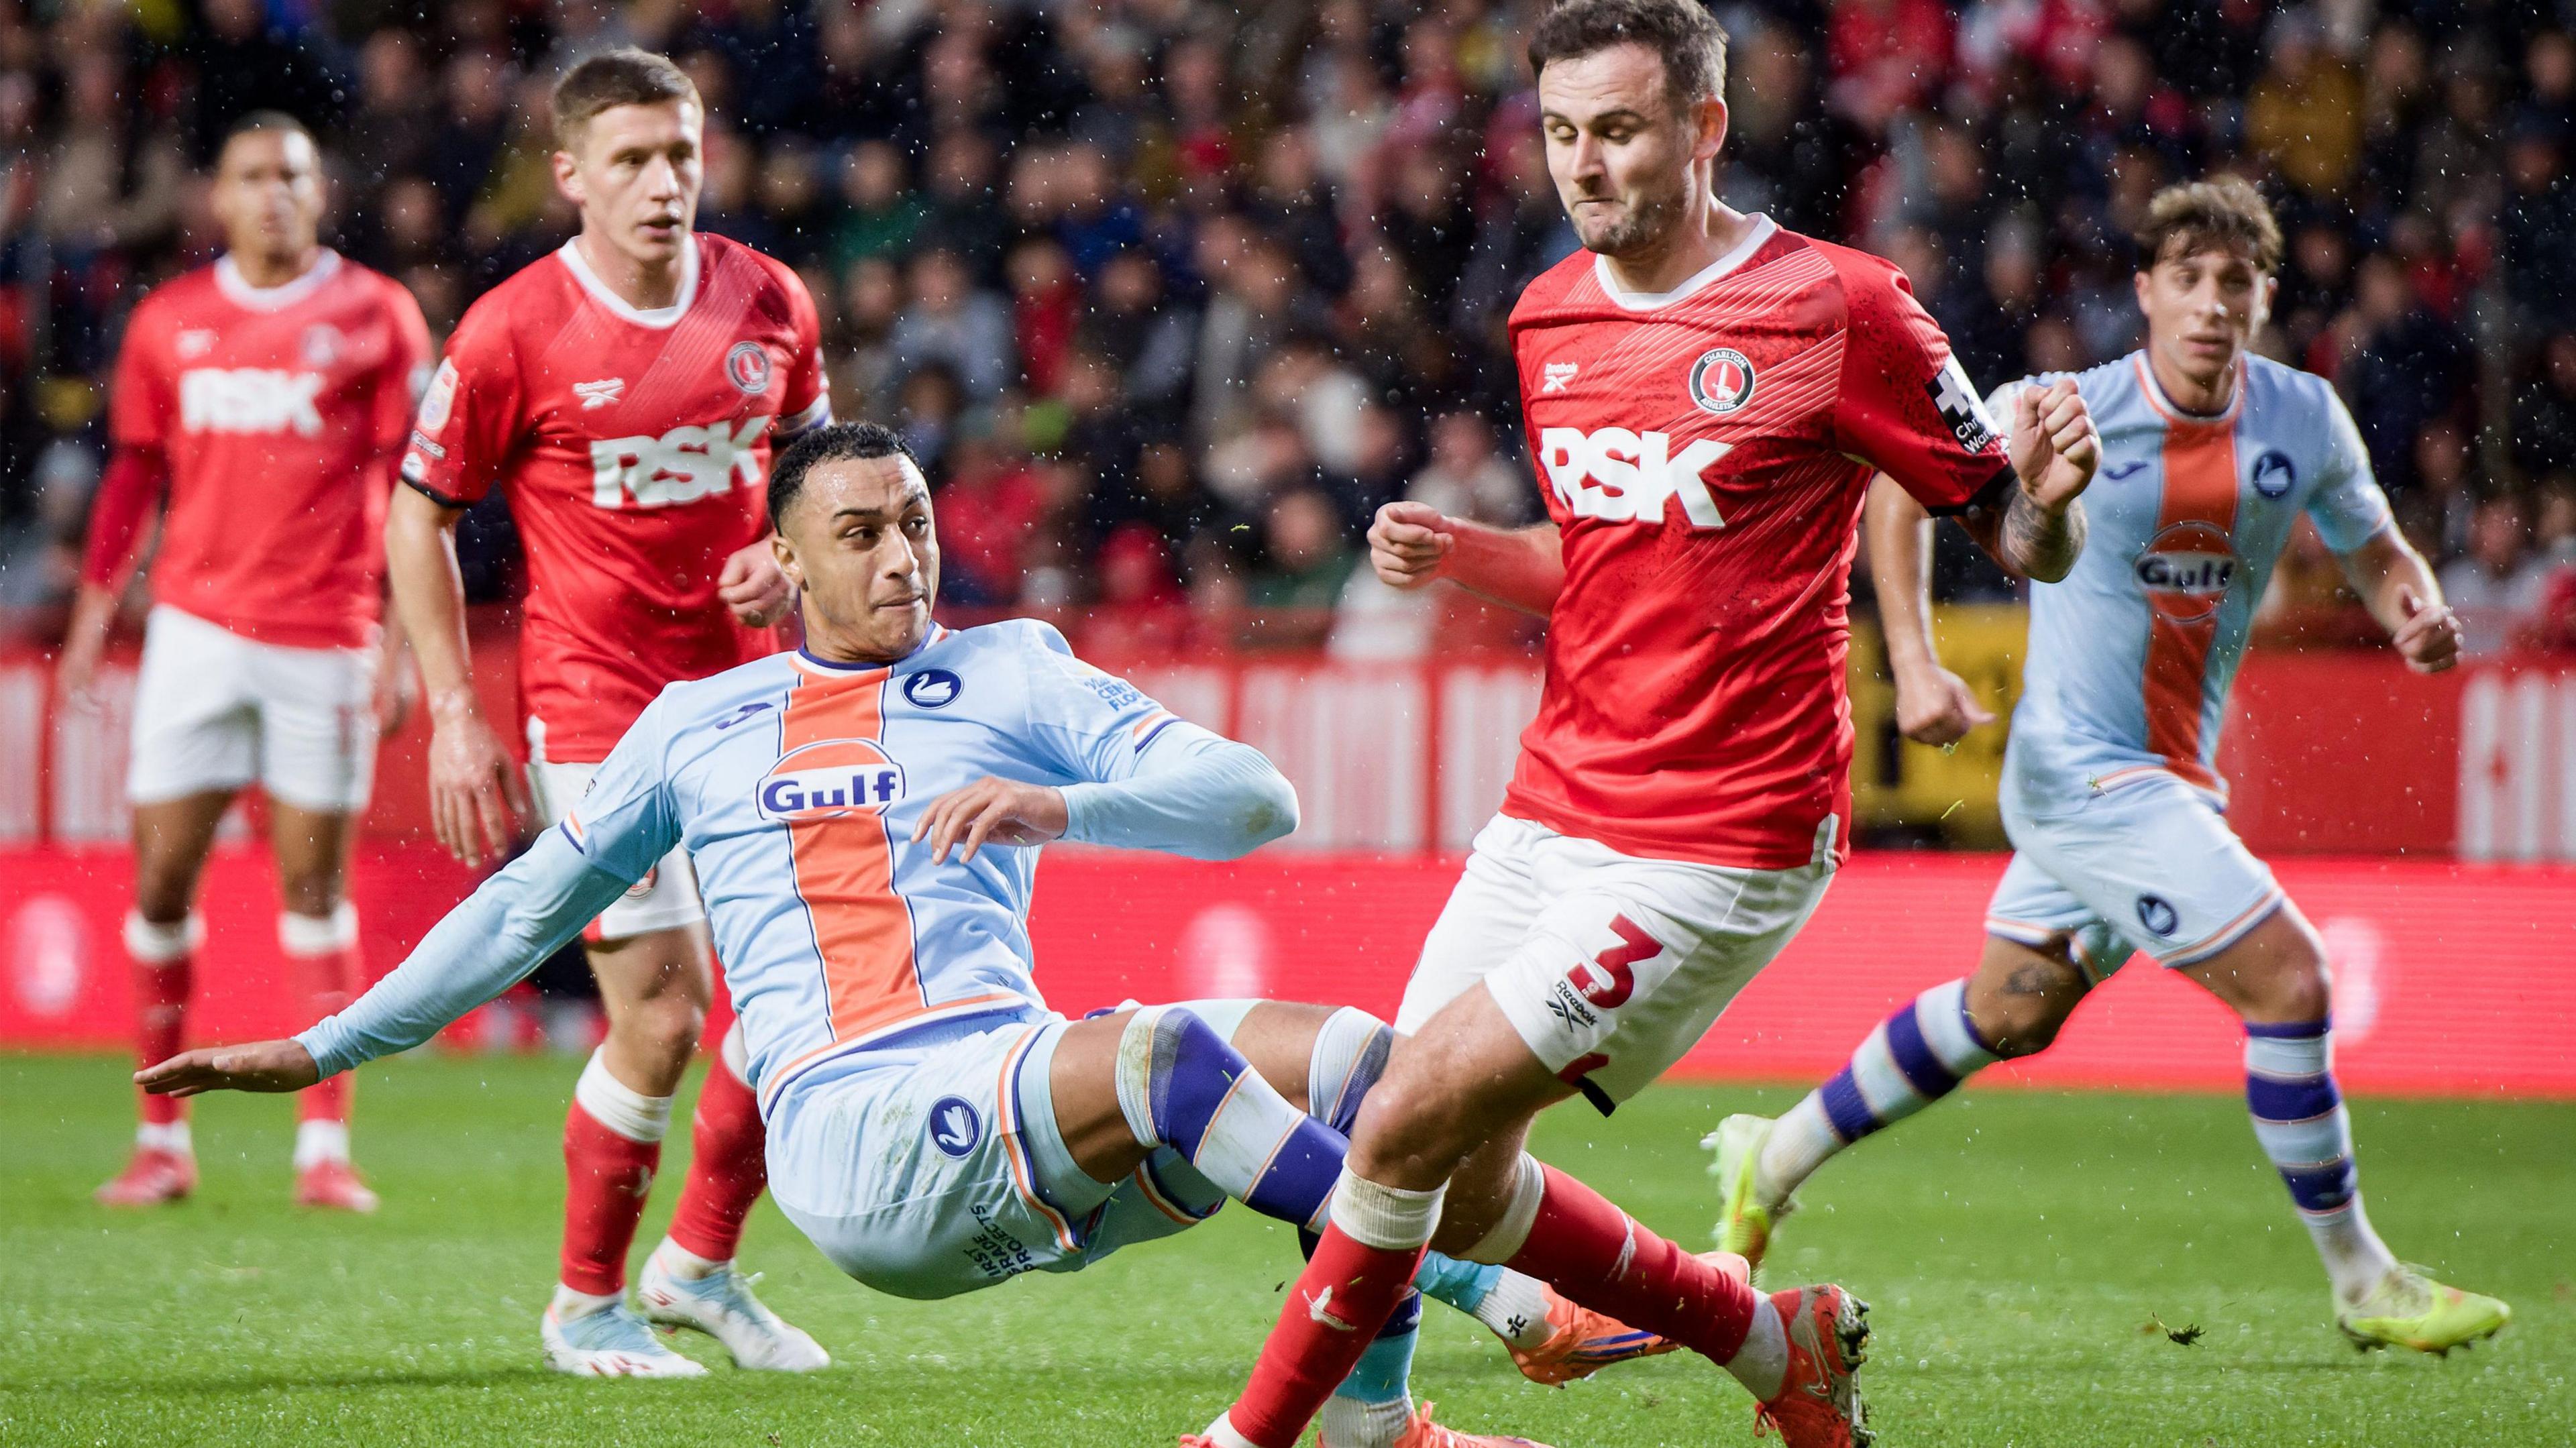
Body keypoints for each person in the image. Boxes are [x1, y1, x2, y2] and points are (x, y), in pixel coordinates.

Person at [144, 424, 1690, 1448]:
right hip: (855, 1137)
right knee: (1168, 1050)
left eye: (918, 525)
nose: (901, 560)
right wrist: (330, 1044)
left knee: (1363, 1058)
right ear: (786, 565)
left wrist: (1058, 809)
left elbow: (1255, 799)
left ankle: (1371, 1424)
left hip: (1011, 1086)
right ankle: (1497, 1294)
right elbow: (525, 906)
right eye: (862, 535)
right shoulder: (702, 725)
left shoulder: (1013, 673)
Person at [1191, 3, 2099, 1446]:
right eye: (1561, 134)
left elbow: (2015, 537)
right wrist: (1470, 552)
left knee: (1401, 1115)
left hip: (1720, 838)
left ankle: (1263, 1439)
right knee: (1466, 1178)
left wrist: (2048, 500)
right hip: (1554, 806)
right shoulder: (1550, 313)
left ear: (1704, 128)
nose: (1585, 165)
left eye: (1618, 130)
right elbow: (1609, 556)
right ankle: (1769, 1343)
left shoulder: (1842, 307)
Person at [1708, 176, 2512, 1357]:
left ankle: (1767, 1157)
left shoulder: (2302, 421)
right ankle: (2365, 1280)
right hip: (2081, 774)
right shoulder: (2061, 406)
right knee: (2293, 983)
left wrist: (2417, 614)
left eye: (2233, 283)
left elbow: (2380, 548)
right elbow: (1898, 486)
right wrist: (1916, 667)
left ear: (2262, 299)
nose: (2209, 305)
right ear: (2145, 294)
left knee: (2007, 1015)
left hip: (2172, 780)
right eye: (2185, 279)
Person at [383, 50, 829, 1377]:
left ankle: (695, 1267)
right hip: (597, 709)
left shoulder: (770, 299)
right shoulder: (513, 330)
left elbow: (816, 473)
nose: (662, 183)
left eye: (681, 154)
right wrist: (455, 712)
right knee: (660, 1011)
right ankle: (587, 1303)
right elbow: (419, 514)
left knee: (791, 1003)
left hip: (751, 695)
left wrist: (789, 555)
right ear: (570, 175)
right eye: (631, 159)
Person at [65, 112, 431, 1213]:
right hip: (194, 632)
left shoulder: (377, 315)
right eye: (252, 176)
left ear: (322, 194)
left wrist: (401, 642)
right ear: (215, 199)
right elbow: (133, 477)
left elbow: (412, 493)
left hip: (323, 637)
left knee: (313, 893)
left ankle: (324, 1151)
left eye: (293, 175)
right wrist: (93, 615)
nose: (274, 192)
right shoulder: (170, 323)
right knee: (160, 884)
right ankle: (159, 1139)